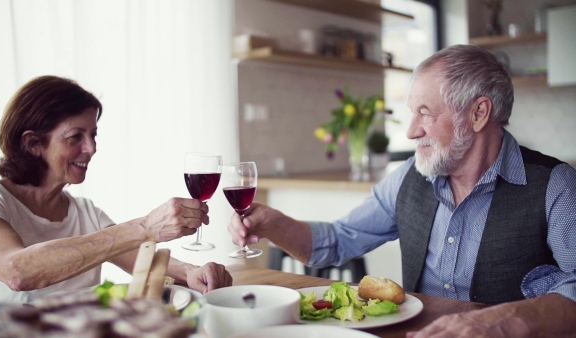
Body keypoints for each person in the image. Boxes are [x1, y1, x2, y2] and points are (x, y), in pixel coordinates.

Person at [228, 44, 576, 337]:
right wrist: (273, 223)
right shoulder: (409, 177)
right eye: (412, 113)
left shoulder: (555, 185)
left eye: (425, 113)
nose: (410, 131)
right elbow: (337, 240)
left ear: (478, 113)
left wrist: (501, 323)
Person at [0, 75, 232, 308]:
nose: (91, 148)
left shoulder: (85, 212)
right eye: (75, 136)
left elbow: (140, 257)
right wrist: (144, 227)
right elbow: (17, 271)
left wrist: (191, 272)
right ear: (33, 143)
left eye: (93, 135)